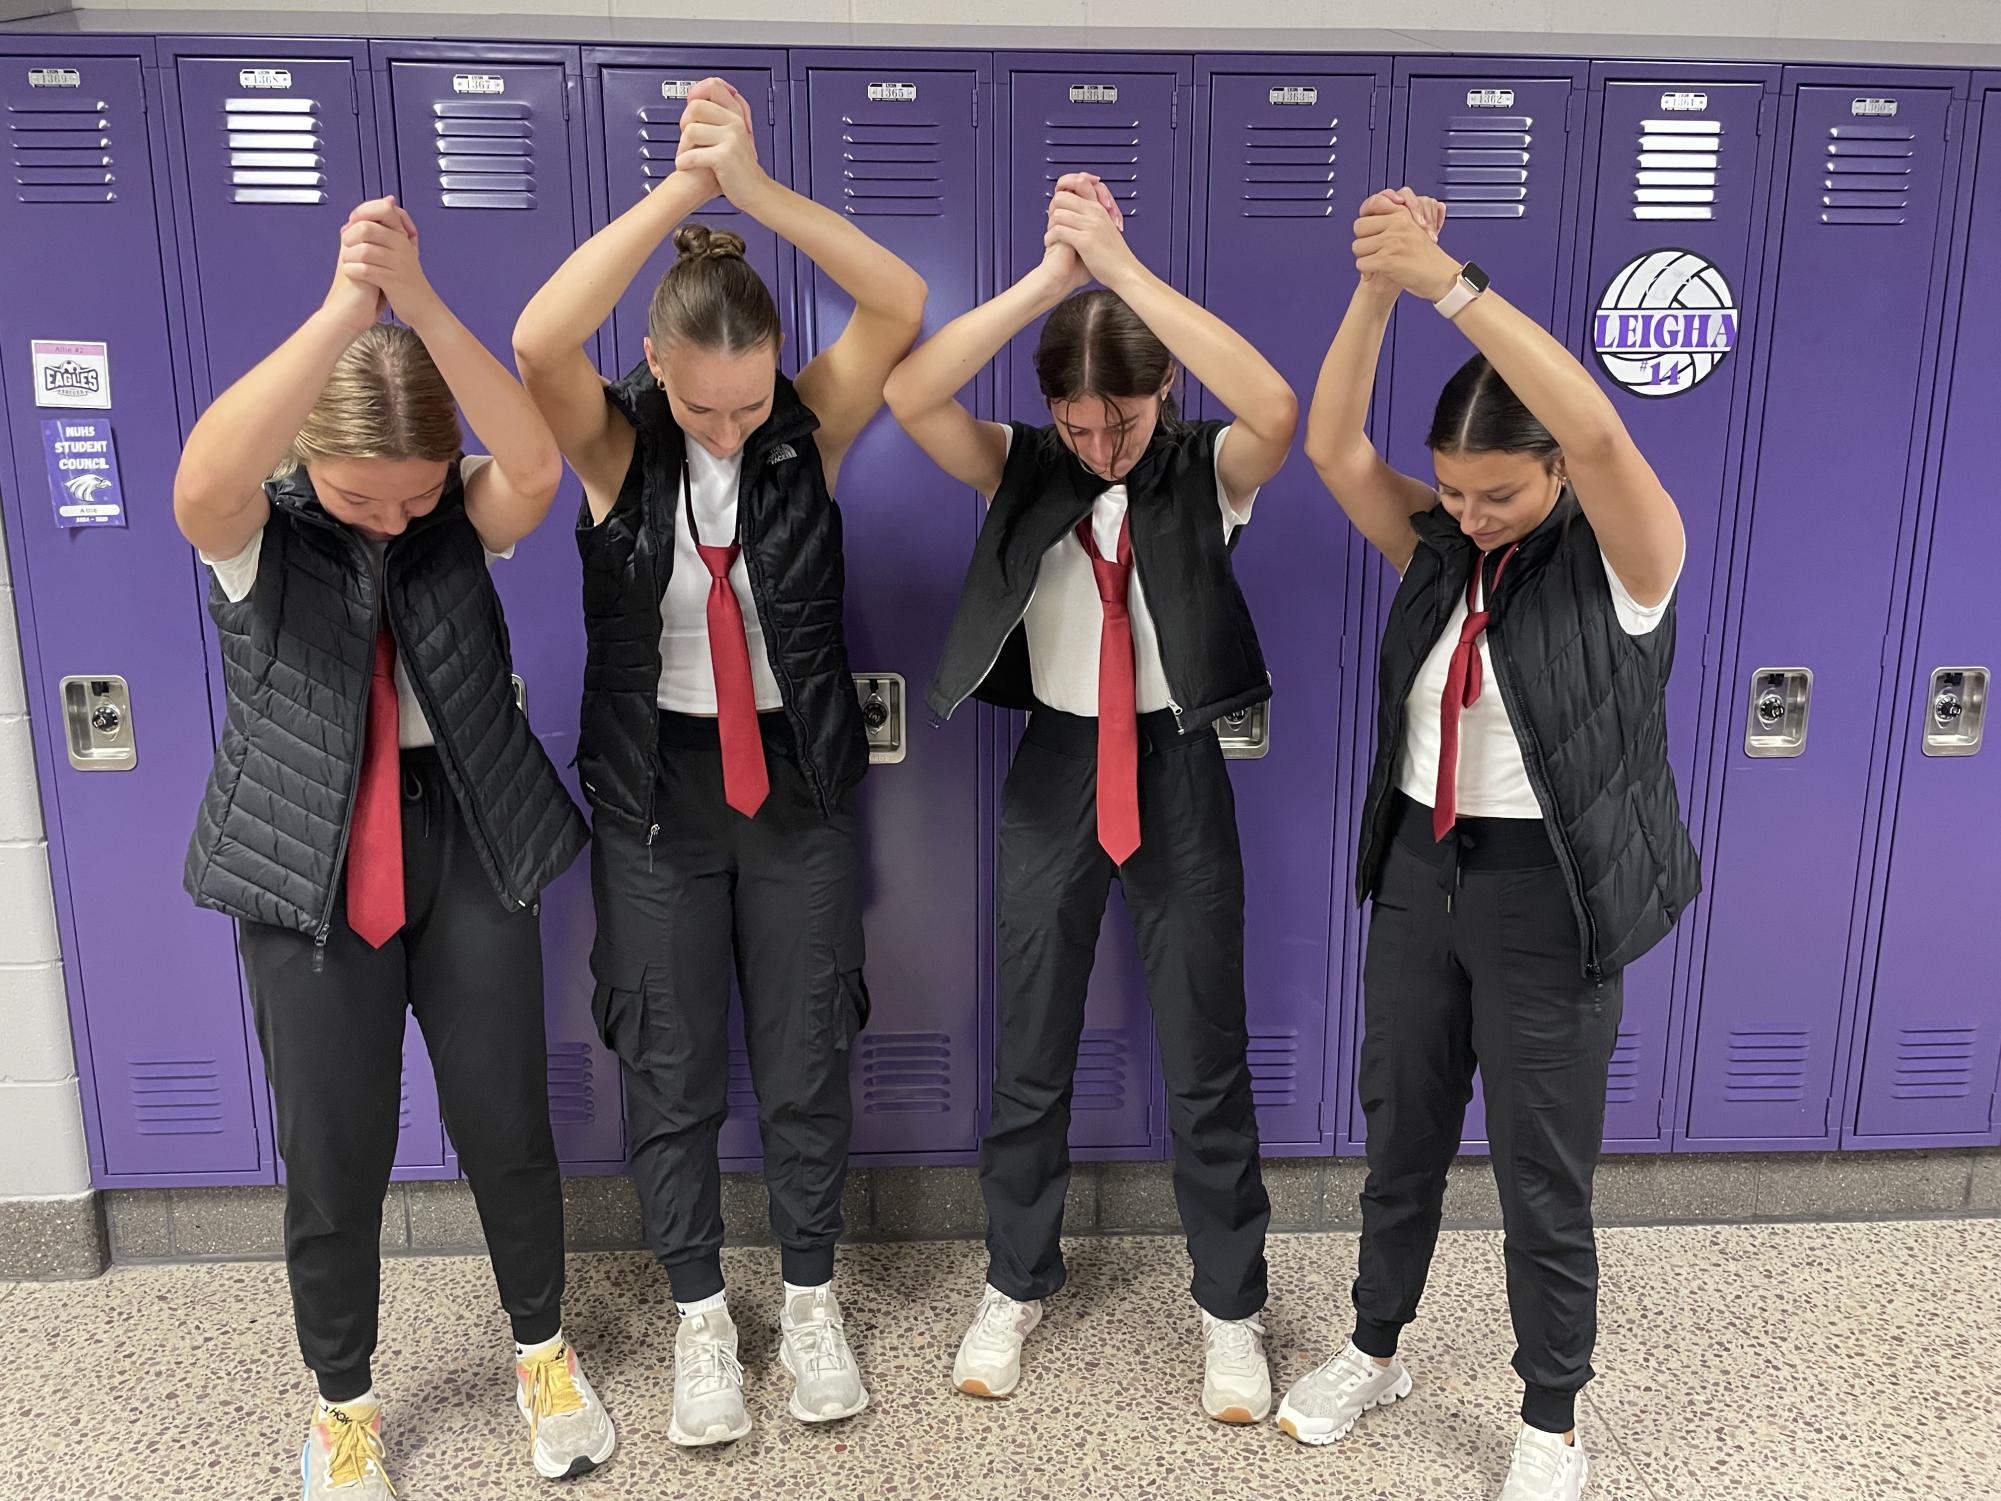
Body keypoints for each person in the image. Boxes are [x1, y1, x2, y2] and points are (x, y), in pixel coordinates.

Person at [175, 197, 613, 1497]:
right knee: (335, 1144)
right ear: (312, 466)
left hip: (466, 840)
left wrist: (420, 306)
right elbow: (204, 476)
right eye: (365, 495)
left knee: (505, 1123)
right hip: (305, 865)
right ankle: (344, 1407)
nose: (390, 518)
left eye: (413, 495)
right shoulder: (259, 536)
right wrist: (338, 316)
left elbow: (531, 467)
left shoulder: (447, 519)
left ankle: (544, 1354)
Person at [511, 78, 926, 1447]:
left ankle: (809, 1301)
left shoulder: (808, 430)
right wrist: (679, 198)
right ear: (658, 368)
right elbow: (535, 335)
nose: (732, 431)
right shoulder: (610, 445)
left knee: (806, 1053)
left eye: (749, 407)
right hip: (654, 794)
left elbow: (897, 302)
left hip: (795, 788)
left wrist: (751, 192)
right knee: (671, 1061)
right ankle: (701, 1319)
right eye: (706, 410)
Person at [1275, 188, 1699, 1501]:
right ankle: (1374, 1347)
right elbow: (1332, 441)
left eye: (1498, 492)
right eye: (1454, 490)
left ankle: (1551, 1419)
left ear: (1556, 475)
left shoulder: (1627, 559)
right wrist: (1375, 287)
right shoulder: (1436, 550)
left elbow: (1598, 423)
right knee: (1398, 1129)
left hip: (1547, 898)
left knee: (1539, 1170)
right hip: (1420, 875)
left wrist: (1451, 282)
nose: (1469, 512)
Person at [885, 171, 1299, 1424]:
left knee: (1204, 1054)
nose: (1099, 445)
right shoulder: (1020, 465)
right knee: (1031, 1039)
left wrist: (1123, 275)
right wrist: (1050, 284)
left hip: (1174, 768)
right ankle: (1016, 1278)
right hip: (1059, 769)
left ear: (1163, 392)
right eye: (1077, 423)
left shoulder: (1204, 471)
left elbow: (1278, 402)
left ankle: (1231, 1310)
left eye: (1120, 421)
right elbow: (911, 391)